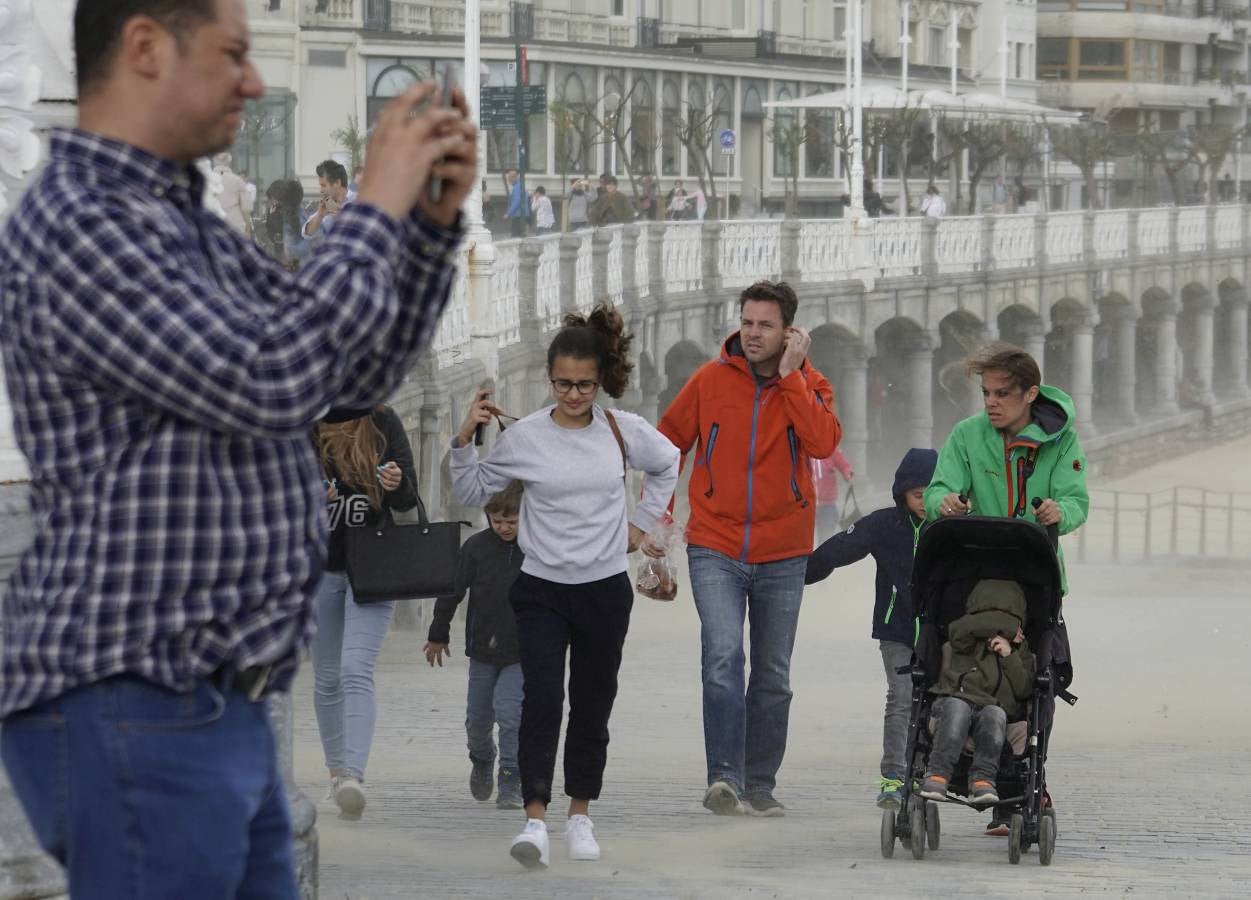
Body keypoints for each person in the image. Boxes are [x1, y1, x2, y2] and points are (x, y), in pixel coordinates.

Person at [0, 0, 477, 894]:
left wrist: (426, 230)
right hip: (131, 694)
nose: (255, 84)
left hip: (213, 703)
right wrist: (374, 201)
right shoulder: (81, 221)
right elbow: (269, 378)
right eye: (232, 56)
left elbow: (349, 370)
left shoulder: (180, 218)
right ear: (144, 48)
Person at [451, 305, 680, 869]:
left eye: (584, 384)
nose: (573, 394)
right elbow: (470, 489)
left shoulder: (622, 431)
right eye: (562, 384)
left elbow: (669, 462)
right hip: (542, 589)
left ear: (600, 378)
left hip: (603, 589)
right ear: (549, 379)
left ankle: (580, 814)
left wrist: (641, 525)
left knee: (592, 704)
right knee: (542, 700)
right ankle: (535, 819)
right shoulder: (525, 435)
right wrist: (464, 434)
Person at [658, 280, 841, 817]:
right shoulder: (710, 379)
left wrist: (792, 382)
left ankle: (759, 782)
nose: (753, 333)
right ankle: (724, 778)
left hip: (784, 550)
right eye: (747, 322)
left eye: (765, 324)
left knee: (772, 674)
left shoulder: (812, 384)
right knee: (721, 658)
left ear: (790, 331)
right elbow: (668, 445)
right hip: (713, 543)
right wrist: (660, 519)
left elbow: (824, 443)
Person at [924, 342, 1088, 834]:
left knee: (1041, 677)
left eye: (1002, 394)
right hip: (973, 574)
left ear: (1030, 394)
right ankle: (953, 764)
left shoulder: (1062, 441)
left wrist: (1062, 512)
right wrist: (944, 502)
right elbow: (935, 490)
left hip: (1034, 576)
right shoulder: (967, 436)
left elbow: (1077, 500)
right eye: (986, 393)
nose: (991, 403)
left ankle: (1022, 785)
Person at [804, 448, 938, 810]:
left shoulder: (950, 527)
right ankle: (893, 778)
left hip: (940, 634)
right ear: (903, 494)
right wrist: (794, 576)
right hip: (895, 631)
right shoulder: (883, 524)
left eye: (932, 492)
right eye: (917, 495)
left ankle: (923, 773)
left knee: (936, 703)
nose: (925, 503)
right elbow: (837, 550)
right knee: (901, 696)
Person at [311, 406, 417, 819]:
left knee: (355, 668)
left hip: (374, 567)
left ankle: (353, 776)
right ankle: (336, 775)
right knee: (326, 678)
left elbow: (409, 495)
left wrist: (396, 482)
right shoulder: (308, 422)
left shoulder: (383, 421)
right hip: (319, 566)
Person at [424, 481, 527, 811]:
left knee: (511, 715)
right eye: (497, 521)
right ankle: (483, 758)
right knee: (478, 720)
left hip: (522, 651)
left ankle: (511, 778)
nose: (504, 528)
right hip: (482, 650)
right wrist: (439, 633)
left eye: (512, 521)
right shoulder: (476, 548)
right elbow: (452, 591)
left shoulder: (538, 548)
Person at [919, 579, 1035, 806]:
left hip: (994, 707)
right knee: (957, 709)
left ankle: (982, 779)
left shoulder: (1021, 650)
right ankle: (937, 773)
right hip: (957, 699)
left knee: (995, 716)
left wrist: (1009, 655)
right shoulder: (964, 638)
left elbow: (1023, 690)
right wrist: (1008, 626)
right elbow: (963, 627)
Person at [304, 158, 355, 240]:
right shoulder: (327, 206)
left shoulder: (360, 201)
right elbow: (307, 233)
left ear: (337, 183)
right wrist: (320, 215)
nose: (321, 190)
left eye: (323, 185)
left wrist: (341, 218)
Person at [811, 447, 854, 543]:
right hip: (807, 507)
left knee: (825, 540)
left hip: (827, 506)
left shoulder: (831, 449)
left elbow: (844, 465)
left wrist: (848, 473)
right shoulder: (802, 450)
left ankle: (823, 556)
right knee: (807, 541)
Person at [212, 151, 253, 235]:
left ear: (214, 161)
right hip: (235, 224)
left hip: (212, 224)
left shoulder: (205, 181)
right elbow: (246, 209)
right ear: (229, 162)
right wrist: (248, 231)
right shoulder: (238, 181)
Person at [506, 168, 528, 237]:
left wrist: (509, 213)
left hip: (518, 215)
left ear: (514, 177)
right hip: (522, 214)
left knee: (515, 236)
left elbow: (516, 201)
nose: (508, 180)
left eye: (509, 178)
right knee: (520, 235)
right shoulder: (520, 185)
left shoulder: (517, 187)